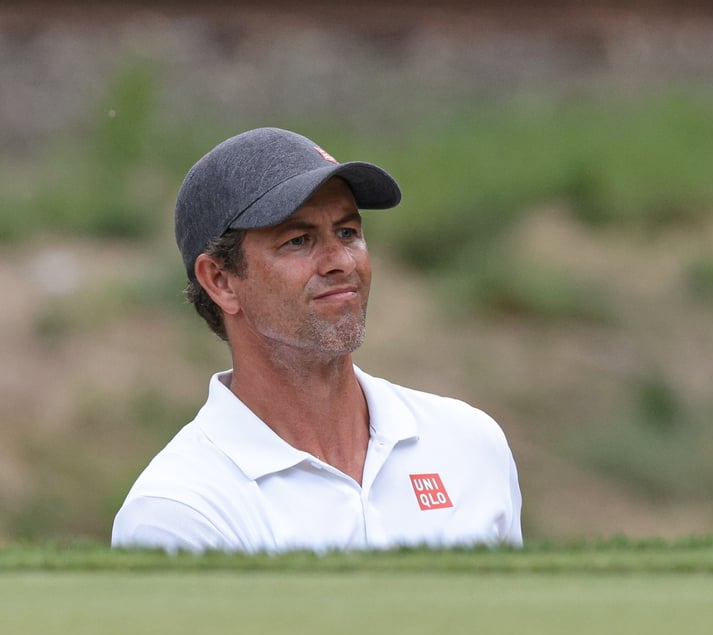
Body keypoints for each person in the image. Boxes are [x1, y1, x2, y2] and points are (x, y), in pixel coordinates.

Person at [111, 127, 522, 553]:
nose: (341, 262)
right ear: (220, 281)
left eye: (348, 232)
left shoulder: (470, 444)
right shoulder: (178, 513)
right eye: (298, 240)